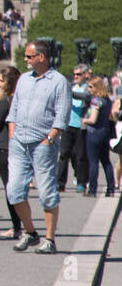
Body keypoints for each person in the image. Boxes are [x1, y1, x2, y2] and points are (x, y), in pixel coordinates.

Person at [8, 40, 72, 254]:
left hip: (42, 144)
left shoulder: (59, 81)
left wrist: (50, 138)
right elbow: (14, 109)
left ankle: (50, 239)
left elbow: (62, 115)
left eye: (28, 56)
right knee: (14, 191)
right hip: (19, 143)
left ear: (41, 57)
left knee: (46, 192)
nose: (25, 60)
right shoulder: (24, 80)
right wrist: (12, 135)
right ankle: (30, 232)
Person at [0, 67, 22, 238]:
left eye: (1, 80)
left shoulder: (6, 100)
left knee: (10, 188)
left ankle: (17, 226)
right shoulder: (20, 99)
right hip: (19, 146)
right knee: (17, 186)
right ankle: (21, 224)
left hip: (4, 146)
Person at [58, 64, 91, 194]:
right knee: (64, 155)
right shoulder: (71, 87)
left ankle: (81, 182)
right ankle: (60, 183)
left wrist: (69, 93)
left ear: (85, 75)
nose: (75, 77)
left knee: (81, 156)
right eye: (74, 74)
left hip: (81, 126)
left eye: (78, 74)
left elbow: (86, 98)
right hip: (68, 125)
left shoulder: (88, 88)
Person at [82, 75, 115, 197]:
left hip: (94, 133)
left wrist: (84, 120)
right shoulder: (107, 100)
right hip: (105, 132)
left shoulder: (96, 101)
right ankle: (110, 188)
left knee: (93, 162)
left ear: (97, 87)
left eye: (91, 87)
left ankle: (92, 189)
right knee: (106, 161)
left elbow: (93, 119)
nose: (89, 89)